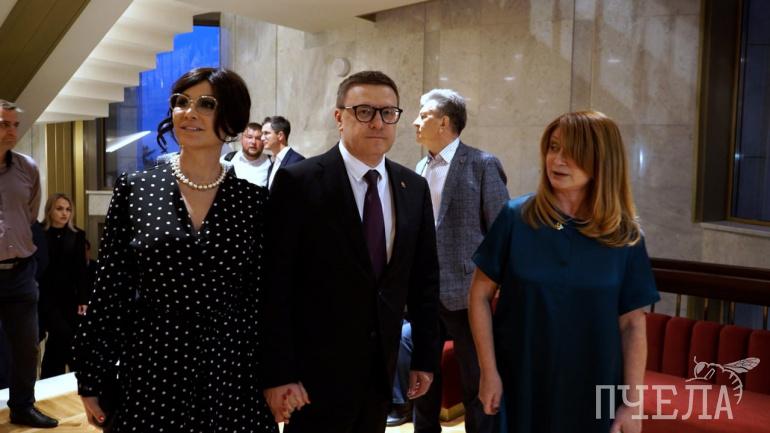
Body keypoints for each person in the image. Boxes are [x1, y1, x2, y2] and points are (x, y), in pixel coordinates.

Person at [72, 67, 278, 432]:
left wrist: (277, 375)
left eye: (206, 104)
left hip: (230, 371)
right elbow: (110, 289)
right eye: (181, 102)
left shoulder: (253, 201)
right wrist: (92, 376)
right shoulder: (136, 188)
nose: (189, 112)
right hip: (152, 367)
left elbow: (262, 299)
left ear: (231, 118)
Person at [262, 70, 442, 433]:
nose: (377, 122)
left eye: (388, 112)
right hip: (314, 376)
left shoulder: (412, 187)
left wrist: (424, 357)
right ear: (339, 117)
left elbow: (424, 280)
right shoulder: (300, 182)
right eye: (364, 111)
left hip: (381, 371)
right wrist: (279, 373)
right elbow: (274, 285)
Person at [468, 111, 659, 433]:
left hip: (594, 387)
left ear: (601, 160)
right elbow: (478, 296)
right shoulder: (516, 217)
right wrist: (488, 372)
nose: (557, 160)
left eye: (573, 152)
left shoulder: (625, 237)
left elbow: (632, 326)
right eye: (554, 147)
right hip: (519, 381)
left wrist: (632, 404)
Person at [411, 88, 508, 433]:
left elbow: (501, 232)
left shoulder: (482, 164)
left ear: (445, 122)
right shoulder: (420, 166)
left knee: (474, 381)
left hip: (469, 294)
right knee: (422, 381)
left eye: (423, 115)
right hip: (425, 294)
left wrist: (494, 289)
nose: (415, 122)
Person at [0, 99, 58, 428]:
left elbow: (30, 214)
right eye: (3, 124)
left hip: (21, 272)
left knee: (27, 347)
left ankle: (22, 407)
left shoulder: (28, 168)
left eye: (14, 125)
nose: (11, 131)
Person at [38, 193, 88, 379]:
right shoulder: (39, 233)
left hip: (70, 298)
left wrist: (83, 299)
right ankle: (76, 376)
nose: (64, 213)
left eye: (68, 209)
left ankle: (52, 379)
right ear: (49, 210)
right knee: (63, 336)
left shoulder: (77, 235)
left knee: (60, 341)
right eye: (59, 209)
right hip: (45, 296)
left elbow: (81, 270)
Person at [222, 122, 271, 187]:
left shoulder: (272, 164)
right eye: (249, 137)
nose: (253, 142)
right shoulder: (226, 160)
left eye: (258, 138)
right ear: (241, 139)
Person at [262, 115, 304, 189]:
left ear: (280, 135)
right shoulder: (272, 165)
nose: (262, 138)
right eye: (262, 134)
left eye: (266, 133)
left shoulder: (297, 161)